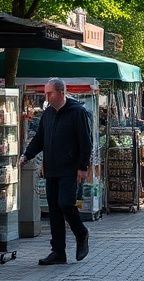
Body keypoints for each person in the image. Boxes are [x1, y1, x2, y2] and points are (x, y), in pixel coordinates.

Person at [19, 77, 92, 265]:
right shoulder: (48, 114)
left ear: (61, 93)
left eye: (49, 93)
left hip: (70, 168)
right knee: (54, 211)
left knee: (66, 203)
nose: (46, 96)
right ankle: (58, 252)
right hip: (51, 169)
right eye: (46, 93)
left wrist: (82, 167)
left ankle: (81, 233)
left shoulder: (77, 112)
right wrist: (26, 155)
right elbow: (39, 139)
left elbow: (85, 142)